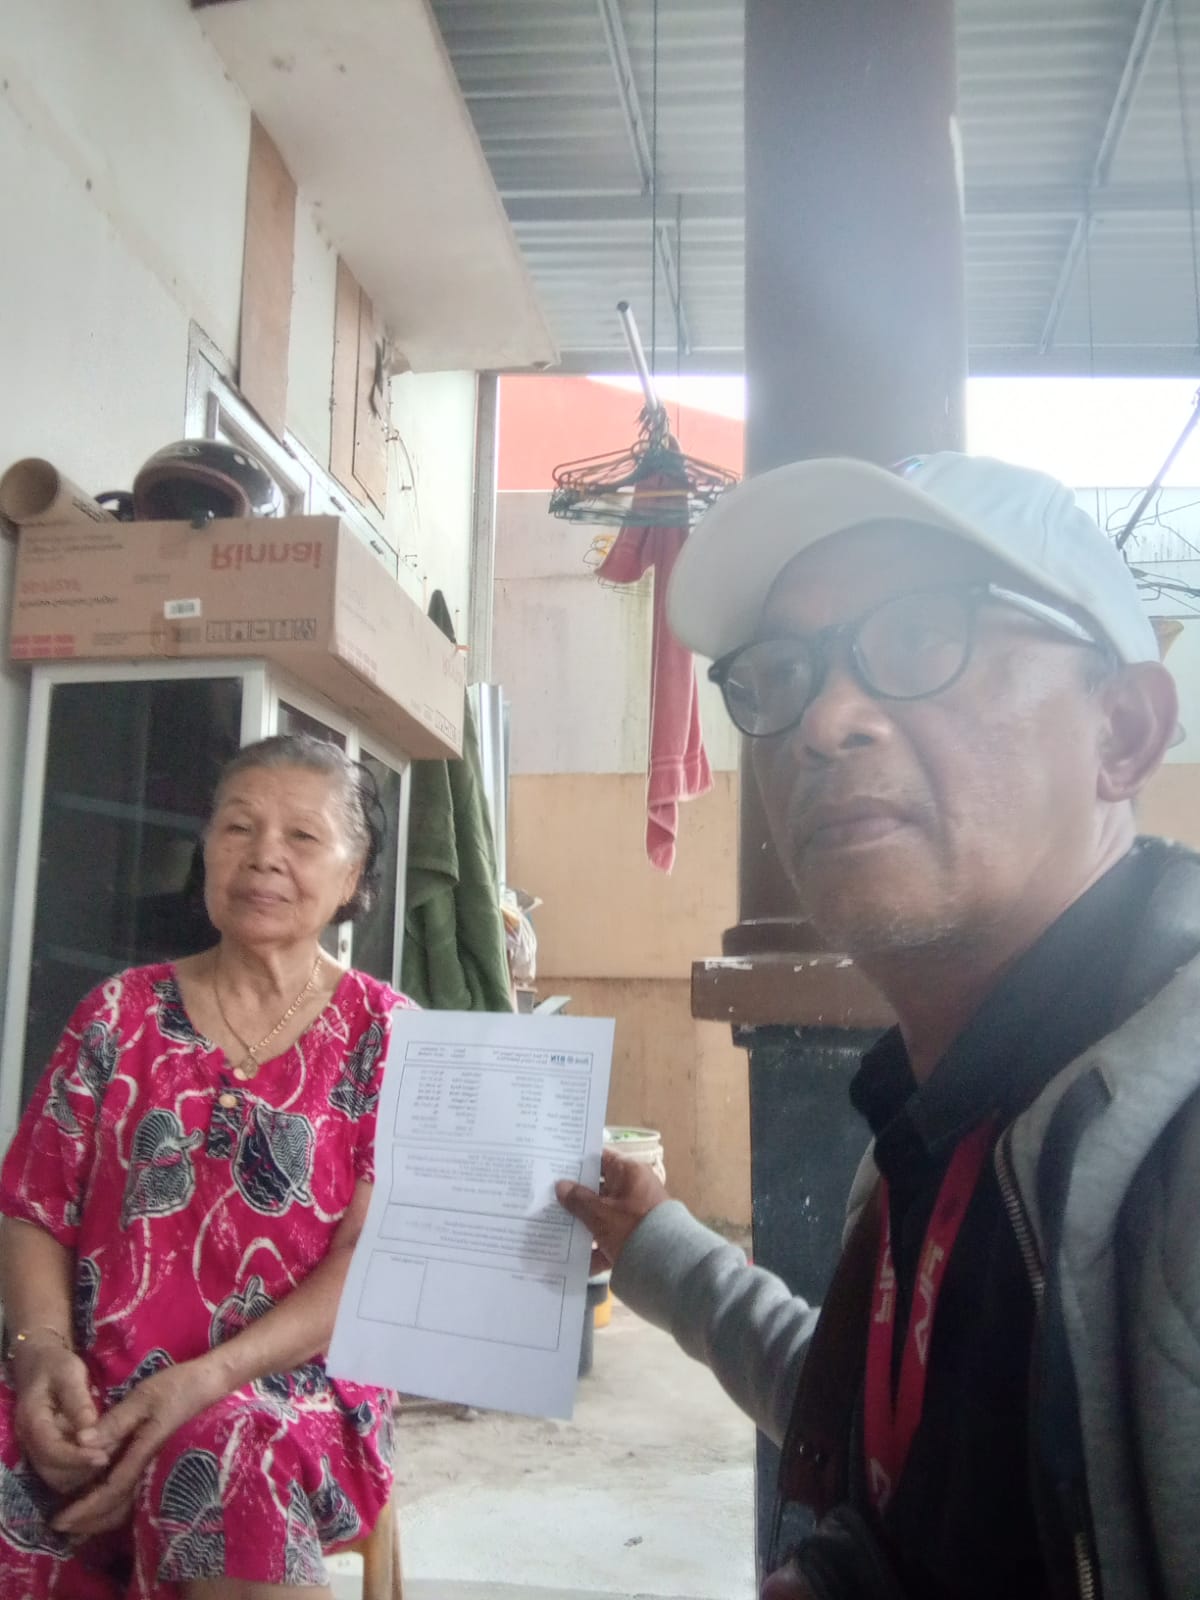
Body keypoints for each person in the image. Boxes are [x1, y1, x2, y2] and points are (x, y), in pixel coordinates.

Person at [558, 452, 1200, 1600]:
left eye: (918, 638)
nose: (823, 721)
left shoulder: (1171, 1146)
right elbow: (894, 1425)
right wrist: (659, 1249)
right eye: (782, 674)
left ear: (1122, 731)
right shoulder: (944, 1104)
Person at [0, 733, 413, 1599]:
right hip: (98, 1375)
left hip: (289, 1386)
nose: (264, 855)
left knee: (226, 1458)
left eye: (303, 837)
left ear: (353, 878)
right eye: (238, 827)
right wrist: (42, 1353)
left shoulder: (393, 1038)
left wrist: (206, 1382)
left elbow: (375, 1258)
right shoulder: (117, 1013)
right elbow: (35, 1206)